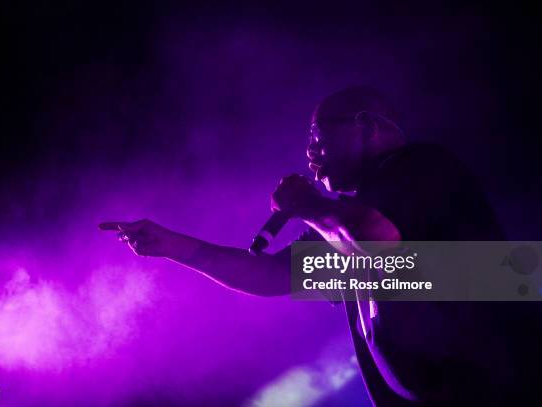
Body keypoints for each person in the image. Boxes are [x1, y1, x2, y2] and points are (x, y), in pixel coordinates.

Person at [100, 86, 539, 405]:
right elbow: (272, 275)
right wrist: (172, 245)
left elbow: (380, 245)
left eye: (318, 137)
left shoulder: (422, 167)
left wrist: (307, 204)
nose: (310, 153)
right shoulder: (343, 222)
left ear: (366, 125)